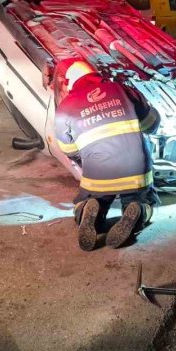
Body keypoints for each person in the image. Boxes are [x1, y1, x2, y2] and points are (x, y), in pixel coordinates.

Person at [53, 59, 160, 251]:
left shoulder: (65, 107)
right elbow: (150, 125)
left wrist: (88, 158)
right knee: (140, 197)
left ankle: (87, 208)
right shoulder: (123, 89)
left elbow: (68, 150)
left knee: (93, 195)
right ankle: (138, 209)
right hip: (135, 169)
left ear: (70, 82)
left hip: (98, 172)